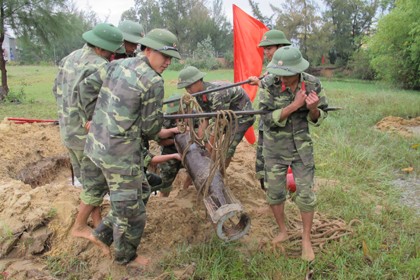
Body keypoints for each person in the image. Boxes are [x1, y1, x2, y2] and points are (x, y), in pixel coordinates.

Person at [83, 28, 181, 267]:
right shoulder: (153, 81)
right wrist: (162, 132)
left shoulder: (117, 65)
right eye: (163, 56)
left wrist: (95, 119)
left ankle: (102, 234)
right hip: (121, 157)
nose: (167, 62)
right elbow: (150, 129)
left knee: (143, 190)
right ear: (147, 49)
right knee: (133, 212)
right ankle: (126, 258)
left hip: (97, 147)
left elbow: (85, 88)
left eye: (170, 58)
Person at [52, 23, 124, 239]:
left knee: (85, 180)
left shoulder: (68, 58)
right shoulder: (100, 66)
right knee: (96, 182)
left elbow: (56, 90)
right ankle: (81, 226)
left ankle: (97, 220)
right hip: (88, 137)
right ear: (102, 48)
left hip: (68, 131)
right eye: (111, 50)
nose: (113, 54)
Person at [258, 46, 328, 261]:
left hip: (301, 148)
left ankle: (306, 239)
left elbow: (321, 116)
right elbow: (267, 118)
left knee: (306, 195)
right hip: (274, 149)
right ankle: (283, 231)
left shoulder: (313, 83)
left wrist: (313, 109)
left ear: (298, 70)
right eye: (280, 75)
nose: (284, 80)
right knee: (275, 193)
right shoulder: (268, 84)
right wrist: (294, 105)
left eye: (288, 75)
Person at [177, 66, 256, 168]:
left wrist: (208, 148)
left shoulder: (216, 95)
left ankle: (220, 175)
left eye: (189, 86)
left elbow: (219, 125)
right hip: (226, 114)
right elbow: (205, 118)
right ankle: (209, 165)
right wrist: (199, 141)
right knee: (207, 141)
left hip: (242, 117)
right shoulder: (199, 93)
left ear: (198, 81)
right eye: (186, 88)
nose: (188, 90)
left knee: (226, 149)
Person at [249, 29, 291, 190]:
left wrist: (259, 82)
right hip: (265, 122)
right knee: (261, 162)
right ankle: (267, 192)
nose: (266, 52)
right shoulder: (271, 68)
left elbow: (280, 90)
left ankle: (277, 193)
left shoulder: (289, 68)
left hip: (280, 125)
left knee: (276, 164)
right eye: (265, 49)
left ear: (281, 47)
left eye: (269, 48)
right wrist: (258, 81)